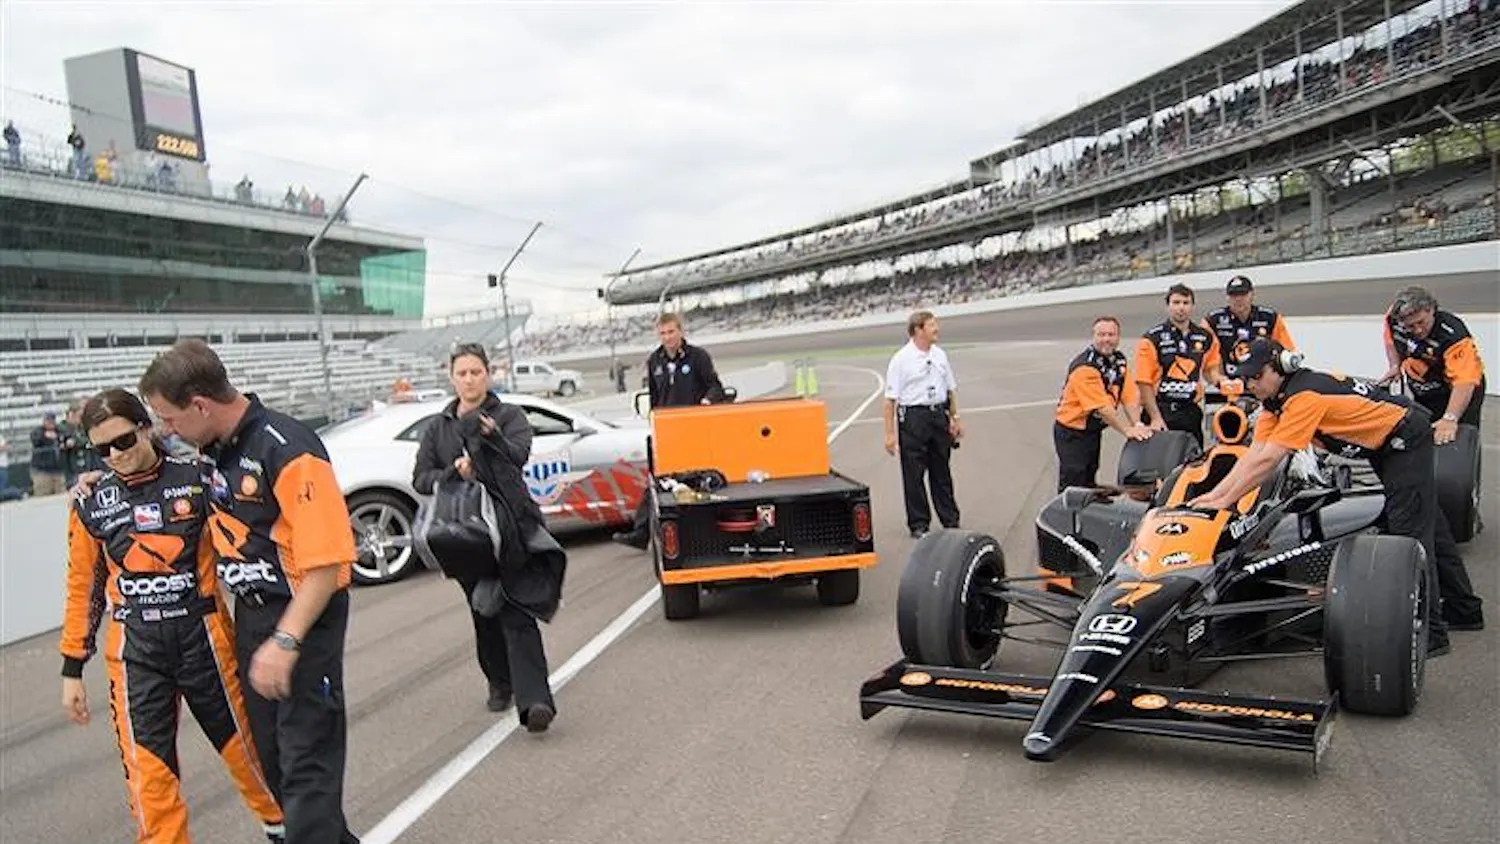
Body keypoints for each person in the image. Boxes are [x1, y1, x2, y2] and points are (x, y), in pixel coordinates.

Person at [138, 339, 361, 844]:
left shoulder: (288, 448)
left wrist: (286, 642)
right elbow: (149, 474)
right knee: (279, 770)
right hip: (253, 617)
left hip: (303, 615)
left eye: (169, 419)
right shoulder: (210, 447)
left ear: (200, 404)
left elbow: (327, 564)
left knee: (307, 770)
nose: (164, 431)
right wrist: (96, 478)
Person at [59, 388, 286, 843]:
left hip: (204, 640)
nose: (115, 456)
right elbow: (82, 587)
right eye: (102, 450)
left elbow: (254, 532)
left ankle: (287, 831)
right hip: (134, 654)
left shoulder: (200, 476)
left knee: (251, 759)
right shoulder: (89, 502)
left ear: (146, 427)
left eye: (123, 441)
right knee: (149, 783)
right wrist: (71, 667)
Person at [1187, 338, 1483, 656]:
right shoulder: (1276, 401)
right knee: (1431, 524)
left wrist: (1223, 500)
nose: (1250, 384)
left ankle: (1432, 633)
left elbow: (1268, 461)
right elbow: (1252, 455)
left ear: (1281, 368)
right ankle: (1464, 610)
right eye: (1246, 377)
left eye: (1256, 376)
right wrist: (1217, 498)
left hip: (1404, 438)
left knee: (1409, 534)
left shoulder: (1304, 397)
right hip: (1383, 444)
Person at [413, 342, 561, 727]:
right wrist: (453, 473)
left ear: (488, 374)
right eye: (461, 373)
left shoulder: (508, 416)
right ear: (452, 377)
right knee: (483, 609)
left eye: (475, 372)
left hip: (511, 526)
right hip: (464, 534)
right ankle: (499, 682)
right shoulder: (438, 426)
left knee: (516, 607)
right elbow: (421, 479)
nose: (469, 379)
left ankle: (535, 702)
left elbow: (518, 456)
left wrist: (491, 437)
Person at [612, 312, 726, 549]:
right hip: (666, 432)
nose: (667, 337)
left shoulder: (698, 357)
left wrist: (706, 402)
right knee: (658, 481)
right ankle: (641, 532)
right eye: (662, 333)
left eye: (671, 332)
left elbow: (716, 387)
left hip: (694, 430)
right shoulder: (655, 361)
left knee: (698, 480)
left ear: (681, 331)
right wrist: (653, 419)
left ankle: (710, 530)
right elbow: (654, 396)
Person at [882, 311, 963, 538]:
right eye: (932, 325)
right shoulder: (901, 359)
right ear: (918, 330)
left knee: (942, 471)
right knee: (913, 473)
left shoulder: (940, 355)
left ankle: (950, 519)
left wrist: (954, 418)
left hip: (937, 414)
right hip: (913, 418)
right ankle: (919, 524)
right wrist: (889, 434)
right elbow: (889, 400)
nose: (937, 328)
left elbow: (950, 389)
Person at [1053, 316, 1153, 492]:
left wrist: (1137, 423)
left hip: (1092, 430)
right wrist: (1128, 431)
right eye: (1101, 334)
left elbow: (1129, 395)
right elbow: (1103, 408)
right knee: (1073, 480)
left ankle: (1089, 505)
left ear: (1118, 337)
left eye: (1111, 334)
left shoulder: (1119, 361)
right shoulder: (1085, 368)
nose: (1107, 339)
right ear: (1093, 337)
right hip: (1072, 432)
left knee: (1090, 473)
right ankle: (1065, 515)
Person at [1380, 284, 1486, 445]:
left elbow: (1464, 381)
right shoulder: (1394, 318)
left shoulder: (1453, 335)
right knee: (1424, 434)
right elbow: (1390, 341)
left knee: (1455, 438)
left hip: (1459, 390)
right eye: (1410, 326)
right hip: (1425, 388)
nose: (1417, 330)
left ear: (1431, 310)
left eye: (1421, 322)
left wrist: (1450, 418)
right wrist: (1395, 365)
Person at [1134, 283, 1223, 447]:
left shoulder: (1205, 337)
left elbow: (1211, 371)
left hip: (1190, 412)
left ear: (1192, 306)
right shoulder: (1152, 338)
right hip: (1160, 410)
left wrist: (1224, 383)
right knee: (1158, 467)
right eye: (1176, 303)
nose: (1181, 307)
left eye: (1185, 303)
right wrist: (1155, 417)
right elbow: (1143, 382)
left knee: (1193, 465)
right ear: (1168, 306)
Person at [1201, 274, 1296, 382]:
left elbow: (1286, 352)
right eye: (1233, 295)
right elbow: (1207, 359)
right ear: (1227, 297)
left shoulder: (1270, 318)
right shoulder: (1213, 320)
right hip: (1228, 383)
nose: (1238, 299)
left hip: (1263, 383)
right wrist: (1218, 380)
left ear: (1252, 294)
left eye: (1243, 294)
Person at [29, 411, 67, 496]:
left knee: (61, 494)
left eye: (52, 420)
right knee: (43, 495)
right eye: (48, 420)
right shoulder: (38, 431)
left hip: (57, 470)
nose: (50, 423)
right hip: (42, 471)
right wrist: (46, 436)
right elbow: (35, 439)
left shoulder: (59, 430)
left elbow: (66, 435)